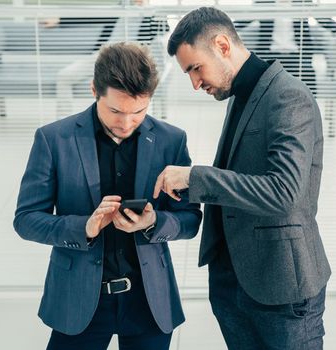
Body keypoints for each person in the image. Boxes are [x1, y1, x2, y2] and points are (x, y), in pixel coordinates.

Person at [154, 7, 330, 349]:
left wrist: (196, 178)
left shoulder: (288, 97)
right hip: (234, 281)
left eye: (195, 68)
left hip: (281, 287)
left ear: (222, 45)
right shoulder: (242, 94)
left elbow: (285, 193)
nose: (194, 83)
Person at [14, 42, 201, 350]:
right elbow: (26, 220)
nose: (126, 122)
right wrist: (84, 227)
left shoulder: (171, 140)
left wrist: (154, 223)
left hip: (148, 301)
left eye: (138, 111)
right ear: (94, 90)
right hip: (79, 300)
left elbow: (191, 219)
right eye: (115, 110)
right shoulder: (53, 139)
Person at [44, 0, 169, 117]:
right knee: (64, 76)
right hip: (103, 55)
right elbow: (89, 17)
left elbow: (165, 30)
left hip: (130, 61)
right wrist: (60, 20)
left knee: (143, 87)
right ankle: (64, 123)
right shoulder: (120, 8)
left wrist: (146, 10)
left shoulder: (153, 13)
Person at [234, 0, 336, 94]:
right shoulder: (264, 3)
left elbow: (320, 16)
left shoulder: (303, 2)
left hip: (297, 55)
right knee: (256, 79)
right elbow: (245, 18)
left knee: (308, 74)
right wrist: (227, 28)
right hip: (270, 55)